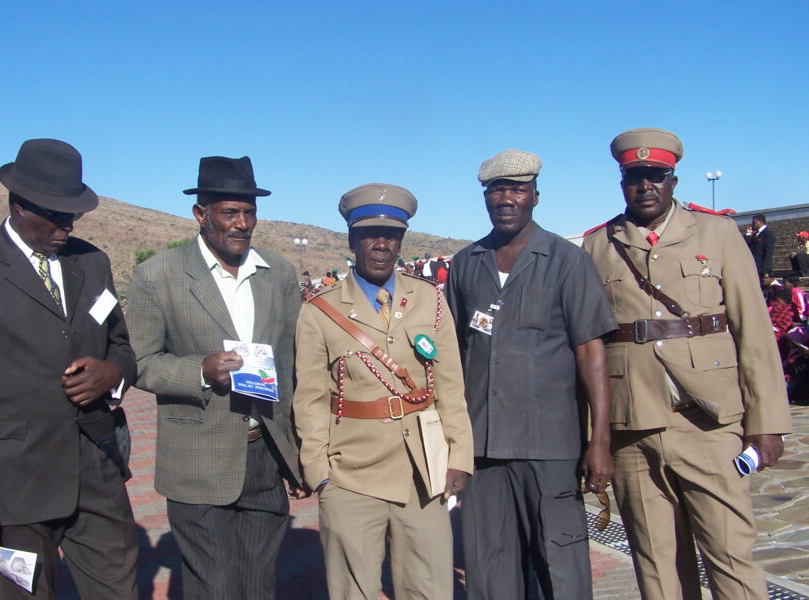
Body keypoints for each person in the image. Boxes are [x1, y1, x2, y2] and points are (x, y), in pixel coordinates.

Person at [582, 127, 792, 600]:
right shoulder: (597, 247)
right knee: (657, 570)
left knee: (731, 559)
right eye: (635, 177)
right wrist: (593, 437)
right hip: (633, 429)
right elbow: (588, 348)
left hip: (708, 426)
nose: (646, 186)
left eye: (656, 175)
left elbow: (753, 331)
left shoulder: (716, 234)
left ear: (673, 180)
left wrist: (768, 423)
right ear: (622, 182)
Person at [0, 138, 138, 599]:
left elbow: (122, 347)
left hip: (96, 473)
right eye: (58, 214)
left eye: (74, 214)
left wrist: (113, 374)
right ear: (20, 204)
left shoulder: (92, 262)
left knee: (119, 589)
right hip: (14, 488)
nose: (69, 224)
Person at [126, 155, 304, 600]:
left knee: (259, 584)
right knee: (215, 587)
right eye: (229, 213)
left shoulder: (278, 273)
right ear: (201, 215)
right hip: (197, 459)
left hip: (264, 454)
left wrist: (298, 450)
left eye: (249, 212)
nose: (242, 223)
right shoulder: (157, 275)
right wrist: (199, 371)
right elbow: (141, 362)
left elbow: (291, 363)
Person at [446, 149, 616, 600]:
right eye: (497, 190)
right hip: (483, 446)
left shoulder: (567, 260)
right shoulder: (465, 264)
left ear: (535, 196)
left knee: (559, 564)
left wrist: (600, 440)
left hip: (550, 445)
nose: (506, 199)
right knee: (488, 566)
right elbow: (455, 354)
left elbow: (590, 353)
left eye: (517, 190)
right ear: (485, 198)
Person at [293, 183, 473, 600]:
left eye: (390, 235)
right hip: (351, 473)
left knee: (430, 588)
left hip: (423, 472)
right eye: (370, 234)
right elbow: (311, 400)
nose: (380, 244)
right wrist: (320, 474)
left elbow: (450, 387)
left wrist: (458, 455)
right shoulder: (320, 310)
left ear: (401, 241)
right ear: (352, 241)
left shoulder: (431, 301)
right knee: (353, 592)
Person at [745, 213, 776, 277]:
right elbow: (748, 244)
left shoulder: (767, 233)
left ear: (761, 222)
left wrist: (767, 269)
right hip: (754, 264)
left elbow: (768, 252)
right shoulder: (755, 234)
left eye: (754, 222)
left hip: (761, 266)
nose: (752, 225)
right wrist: (748, 234)